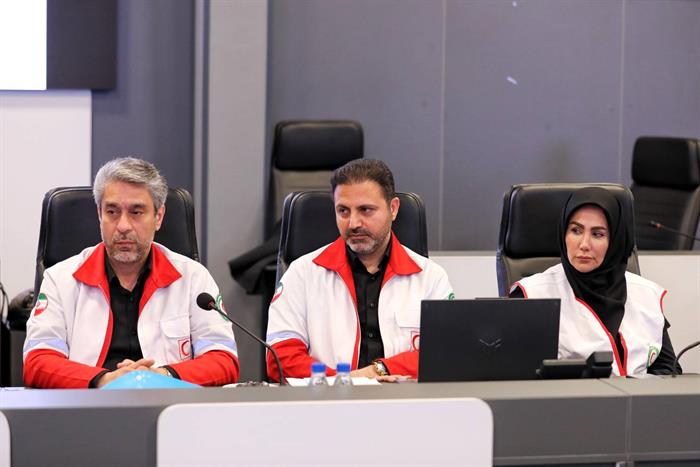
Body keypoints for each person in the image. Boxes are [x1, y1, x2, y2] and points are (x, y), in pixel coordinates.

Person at [23, 157, 239, 388]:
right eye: (112, 212)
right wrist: (105, 380)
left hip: (169, 403)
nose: (123, 226)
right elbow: (38, 361)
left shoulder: (193, 278)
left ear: (158, 217)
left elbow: (223, 360)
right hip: (89, 403)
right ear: (99, 215)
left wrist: (160, 376)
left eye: (136, 212)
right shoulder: (60, 279)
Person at [266, 159, 454, 381]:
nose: (353, 223)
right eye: (343, 211)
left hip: (404, 398)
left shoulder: (430, 277)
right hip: (326, 399)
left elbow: (446, 351)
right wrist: (345, 381)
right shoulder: (301, 274)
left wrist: (378, 370)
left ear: (393, 209)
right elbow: (281, 358)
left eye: (366, 210)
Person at [510, 187, 679, 376]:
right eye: (576, 230)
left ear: (615, 241)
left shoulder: (646, 294)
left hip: (639, 395)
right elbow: (519, 375)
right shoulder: (532, 295)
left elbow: (669, 370)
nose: (584, 244)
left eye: (597, 234)